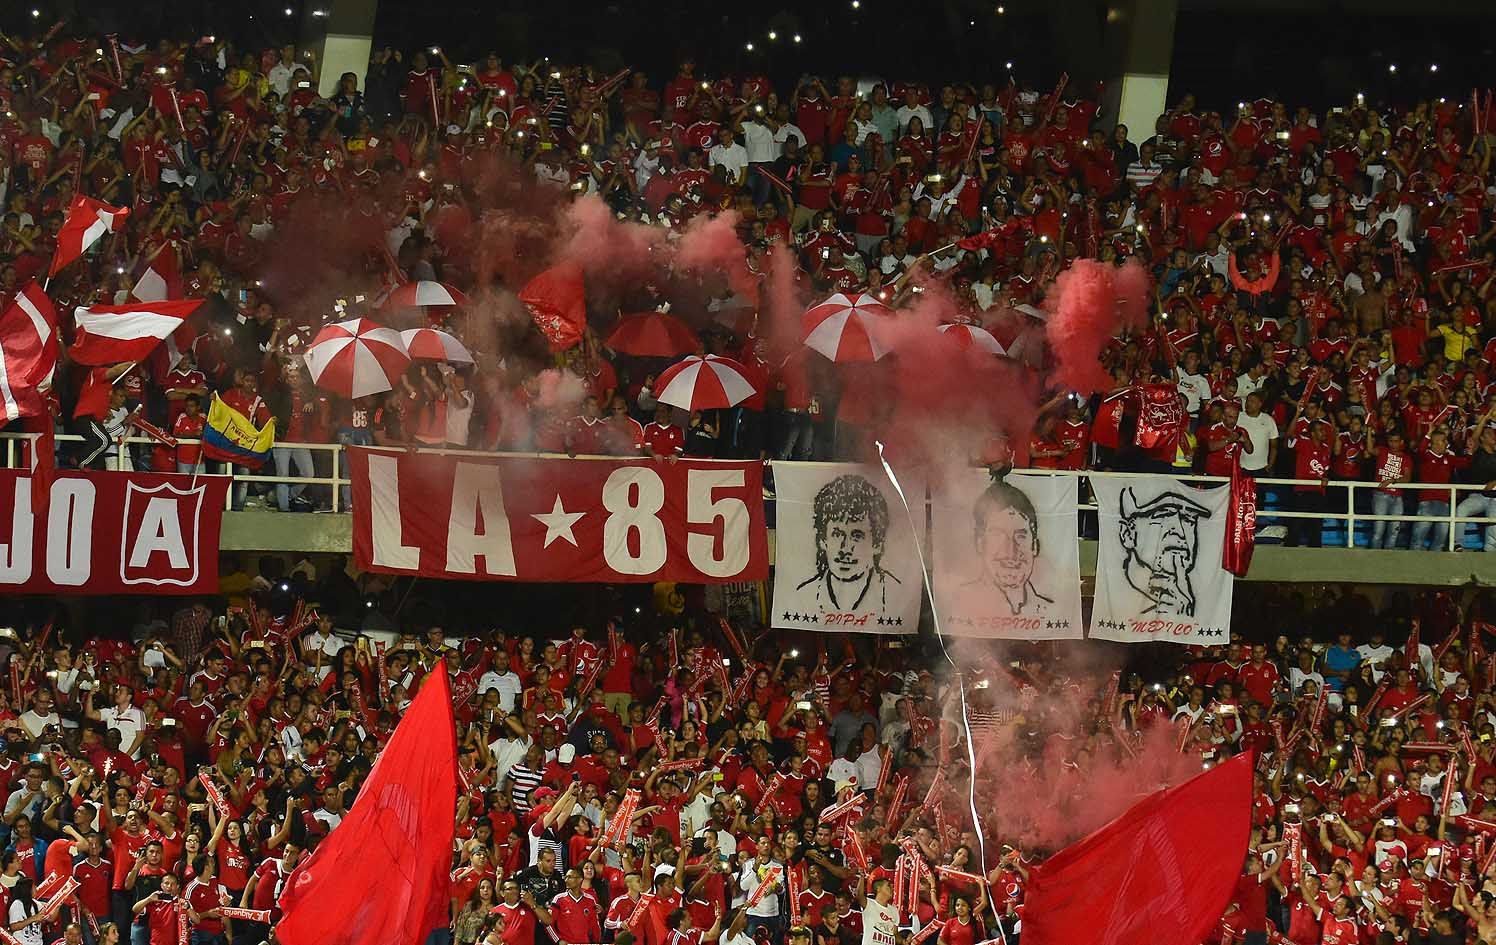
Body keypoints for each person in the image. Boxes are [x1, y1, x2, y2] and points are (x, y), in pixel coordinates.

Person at [793, 475, 901, 613]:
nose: (845, 548)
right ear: (822, 540)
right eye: (837, 534)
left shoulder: (895, 594)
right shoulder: (804, 595)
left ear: (877, 544)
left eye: (857, 536)